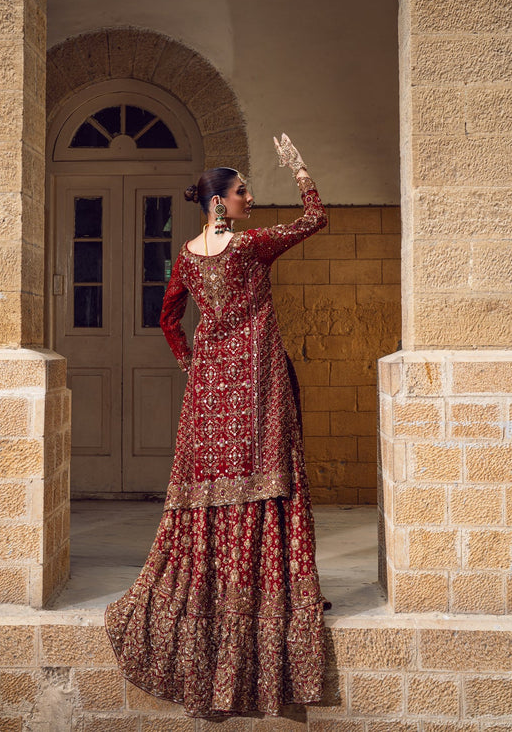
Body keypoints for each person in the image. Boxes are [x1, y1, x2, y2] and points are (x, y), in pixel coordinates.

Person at [105, 134, 329, 718]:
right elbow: (316, 218)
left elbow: (166, 317)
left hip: (208, 392)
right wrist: (298, 167)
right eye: (242, 191)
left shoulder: (187, 256)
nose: (250, 198)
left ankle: (213, 599)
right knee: (268, 484)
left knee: (214, 494)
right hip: (255, 383)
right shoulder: (250, 248)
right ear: (217, 203)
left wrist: (190, 361)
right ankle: (267, 601)